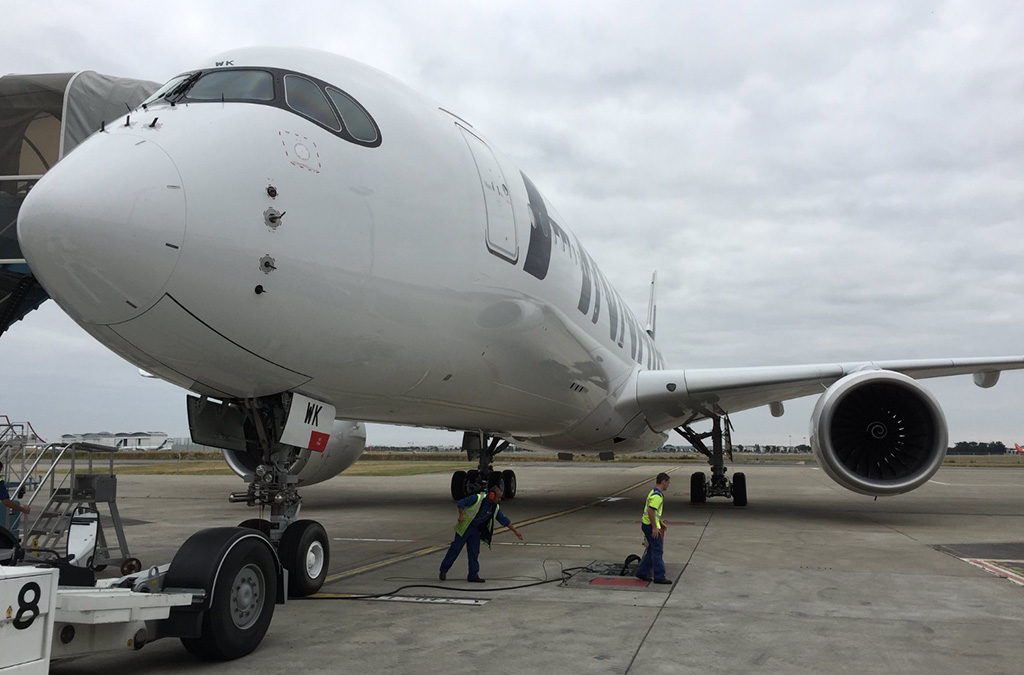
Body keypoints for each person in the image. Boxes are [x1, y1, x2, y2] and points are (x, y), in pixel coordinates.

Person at [439, 482, 523, 582]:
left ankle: (473, 575)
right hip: (465, 527)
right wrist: (461, 515)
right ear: (492, 495)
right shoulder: (477, 498)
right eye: (499, 497)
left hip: (475, 530)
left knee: (474, 552)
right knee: (455, 549)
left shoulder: (495, 508)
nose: (500, 500)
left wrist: (516, 532)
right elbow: (461, 503)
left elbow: (504, 520)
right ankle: (443, 570)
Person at [635, 472, 671, 584]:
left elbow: (653, 512)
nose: (668, 485)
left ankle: (641, 572)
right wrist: (655, 528)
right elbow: (651, 511)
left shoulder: (653, 492)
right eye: (668, 483)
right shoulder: (657, 496)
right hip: (650, 526)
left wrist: (660, 522)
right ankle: (660, 576)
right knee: (657, 551)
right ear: (663, 482)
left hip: (647, 524)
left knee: (651, 550)